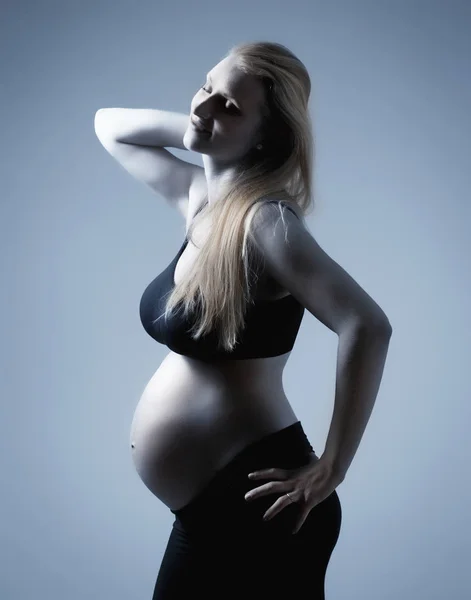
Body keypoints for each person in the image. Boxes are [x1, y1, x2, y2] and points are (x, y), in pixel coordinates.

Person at [94, 41, 392, 599]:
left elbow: (367, 326)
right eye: (205, 87)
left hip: (261, 507)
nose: (203, 107)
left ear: (269, 135)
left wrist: (332, 466)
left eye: (229, 106)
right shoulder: (201, 197)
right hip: (212, 514)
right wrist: (205, 125)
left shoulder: (266, 224)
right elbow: (109, 126)